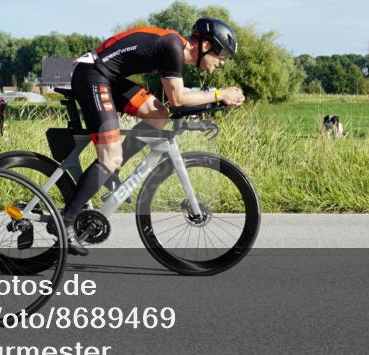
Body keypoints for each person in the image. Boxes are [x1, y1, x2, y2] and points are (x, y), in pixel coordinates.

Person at [64, 18, 245, 255]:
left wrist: (213, 98)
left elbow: (175, 100)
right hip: (92, 76)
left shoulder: (174, 48)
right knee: (110, 157)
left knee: (158, 115)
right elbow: (177, 99)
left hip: (107, 77)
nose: (222, 62)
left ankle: (112, 173)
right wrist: (219, 94)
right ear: (206, 46)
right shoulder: (173, 47)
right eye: (222, 55)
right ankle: (65, 223)